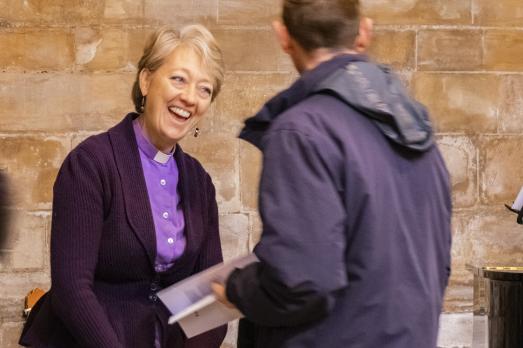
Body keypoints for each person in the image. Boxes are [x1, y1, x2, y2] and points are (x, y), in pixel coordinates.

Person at [212, 1, 452, 347]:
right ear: (363, 33)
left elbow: (303, 282)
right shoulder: (417, 129)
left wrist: (238, 287)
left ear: (283, 37)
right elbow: (437, 268)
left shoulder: (301, 131)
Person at [19, 24, 226, 348]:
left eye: (205, 89)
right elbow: (73, 289)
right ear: (146, 80)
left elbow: (211, 299)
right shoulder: (90, 164)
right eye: (179, 79)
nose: (190, 97)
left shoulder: (200, 183)